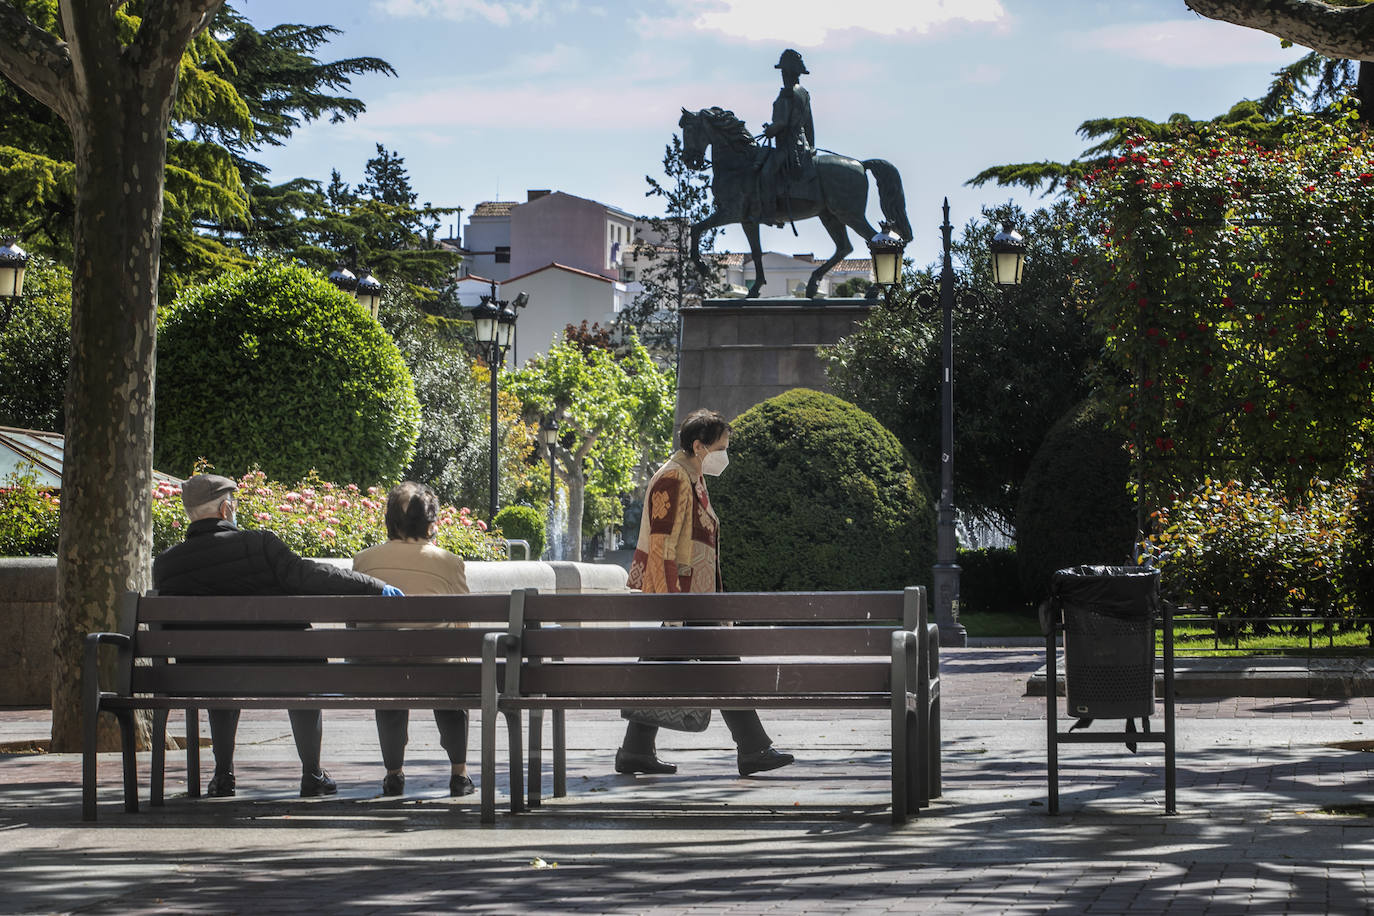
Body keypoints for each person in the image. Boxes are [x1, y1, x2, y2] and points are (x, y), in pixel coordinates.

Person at [152, 473, 401, 799]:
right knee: (301, 666)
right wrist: (374, 586)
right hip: (285, 672)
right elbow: (310, 576)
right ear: (227, 509)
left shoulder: (167, 565)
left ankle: (222, 775)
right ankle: (312, 774)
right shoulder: (259, 545)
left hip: (203, 676)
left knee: (217, 665)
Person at [617, 409, 795, 777]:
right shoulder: (674, 478)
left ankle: (635, 750)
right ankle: (754, 748)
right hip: (684, 599)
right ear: (699, 447)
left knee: (668, 670)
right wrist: (672, 609)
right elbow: (663, 545)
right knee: (722, 667)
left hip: (694, 598)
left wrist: (715, 599)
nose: (724, 455)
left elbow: (701, 548)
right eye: (720, 448)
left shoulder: (691, 476)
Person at [352, 481, 475, 798]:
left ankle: (393, 773)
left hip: (381, 671)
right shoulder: (449, 562)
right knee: (452, 668)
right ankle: (459, 773)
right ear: (432, 523)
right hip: (438, 670)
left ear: (390, 520)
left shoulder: (364, 561)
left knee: (388, 673)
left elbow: (354, 624)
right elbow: (464, 625)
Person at [758, 48, 815, 227]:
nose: (782, 74)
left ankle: (770, 213)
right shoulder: (804, 93)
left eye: (783, 71)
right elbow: (809, 124)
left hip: (789, 146)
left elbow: (782, 122)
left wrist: (770, 131)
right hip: (802, 144)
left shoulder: (788, 93)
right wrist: (811, 146)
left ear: (789, 72)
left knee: (766, 173)